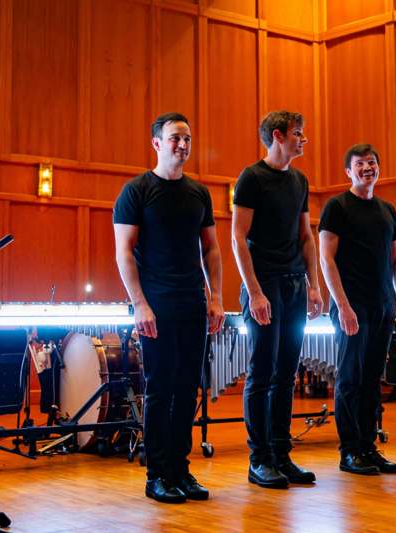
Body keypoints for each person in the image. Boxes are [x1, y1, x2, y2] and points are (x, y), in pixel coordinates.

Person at [113, 112, 225, 503]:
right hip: (156, 306)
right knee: (160, 389)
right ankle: (157, 473)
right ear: (157, 143)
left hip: (193, 302)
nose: (183, 144)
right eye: (176, 137)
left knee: (188, 387)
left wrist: (216, 297)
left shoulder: (199, 193)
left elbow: (211, 249)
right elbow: (124, 252)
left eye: (188, 138)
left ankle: (180, 468)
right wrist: (139, 304)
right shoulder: (136, 191)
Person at [232, 110, 323, 488]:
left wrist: (315, 286)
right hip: (263, 284)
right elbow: (238, 237)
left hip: (294, 285)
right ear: (277, 135)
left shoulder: (300, 180)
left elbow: (306, 236)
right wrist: (254, 292)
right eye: (298, 134)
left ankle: (281, 455)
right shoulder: (252, 178)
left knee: (287, 374)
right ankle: (259, 459)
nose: (304, 140)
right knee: (262, 372)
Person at [318, 144, 396, 475]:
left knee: (372, 380)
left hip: (383, 306)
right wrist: (342, 305)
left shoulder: (387, 210)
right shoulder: (337, 206)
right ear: (349, 171)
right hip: (350, 307)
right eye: (360, 164)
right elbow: (325, 258)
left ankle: (368, 448)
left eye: (372, 163)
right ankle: (350, 451)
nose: (367, 168)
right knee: (350, 379)